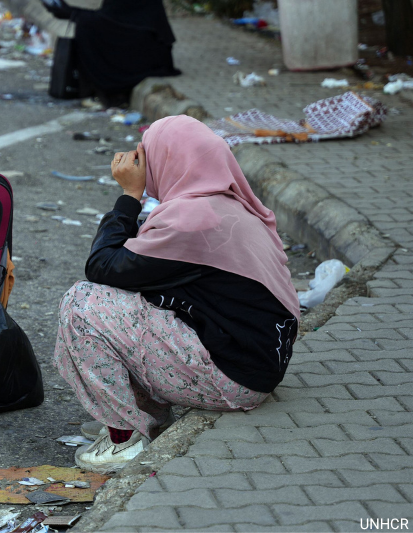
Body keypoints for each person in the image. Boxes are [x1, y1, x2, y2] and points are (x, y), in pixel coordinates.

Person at [53, 115, 300, 473]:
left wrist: (129, 196)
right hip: (253, 366)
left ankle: (124, 440)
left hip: (234, 379)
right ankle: (141, 414)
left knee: (82, 305)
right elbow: (136, 273)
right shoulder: (226, 206)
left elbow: (103, 266)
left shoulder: (193, 219)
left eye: (148, 155)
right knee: (124, 306)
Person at [41, 0, 181, 107]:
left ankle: (105, 87)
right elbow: (112, 17)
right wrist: (71, 12)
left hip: (147, 48)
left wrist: (72, 13)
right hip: (146, 42)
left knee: (87, 26)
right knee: (88, 23)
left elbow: (113, 21)